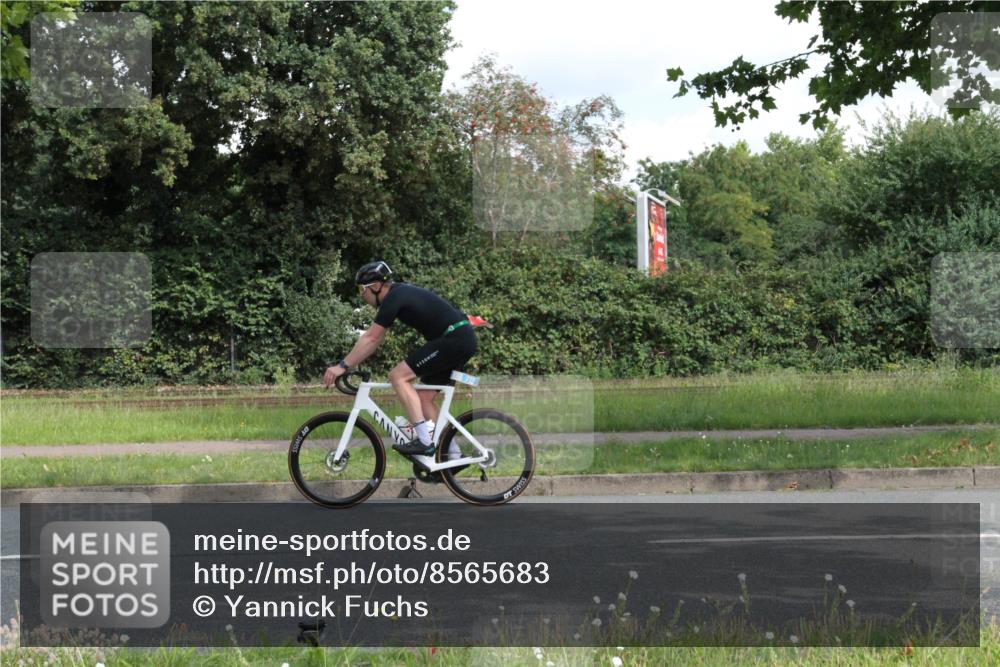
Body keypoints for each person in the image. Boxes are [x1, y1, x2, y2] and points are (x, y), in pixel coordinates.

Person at [323, 261, 478, 456]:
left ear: (376, 286)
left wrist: (342, 365)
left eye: (362, 290)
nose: (362, 296)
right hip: (458, 338)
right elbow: (374, 340)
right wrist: (348, 363)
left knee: (398, 376)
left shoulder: (394, 297)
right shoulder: (399, 293)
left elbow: (372, 337)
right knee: (424, 398)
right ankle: (453, 454)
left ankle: (425, 442)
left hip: (454, 339)